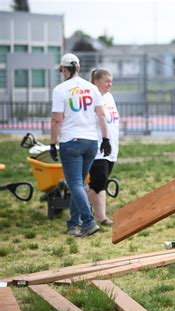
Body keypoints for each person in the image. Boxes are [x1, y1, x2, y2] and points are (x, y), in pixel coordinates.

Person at [50, 53, 111, 237]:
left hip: (71, 141)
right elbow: (101, 115)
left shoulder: (61, 90)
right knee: (80, 185)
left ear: (66, 69)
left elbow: (56, 120)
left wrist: (53, 143)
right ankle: (72, 224)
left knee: (74, 183)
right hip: (92, 142)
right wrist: (106, 139)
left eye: (61, 70)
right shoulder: (91, 88)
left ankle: (88, 221)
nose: (61, 73)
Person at [87, 69, 119, 226]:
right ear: (96, 81)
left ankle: (101, 217)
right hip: (97, 145)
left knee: (101, 184)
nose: (110, 84)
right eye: (107, 81)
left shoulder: (109, 97)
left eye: (111, 81)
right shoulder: (93, 97)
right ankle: (79, 210)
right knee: (98, 181)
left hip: (111, 147)